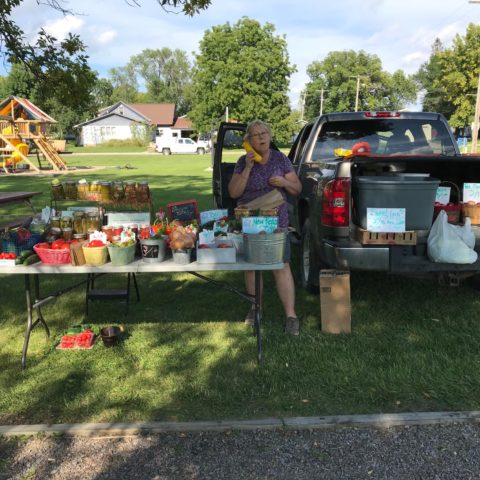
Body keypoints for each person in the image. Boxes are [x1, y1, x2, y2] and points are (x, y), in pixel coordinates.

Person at [228, 120, 302, 335]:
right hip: (250, 219)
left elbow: (297, 189)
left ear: (270, 136)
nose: (261, 137)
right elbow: (234, 193)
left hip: (277, 221)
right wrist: (248, 169)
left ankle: (291, 315)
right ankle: (255, 308)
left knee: (281, 265)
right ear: (248, 141)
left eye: (264, 133)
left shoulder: (281, 159)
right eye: (255, 135)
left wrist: (285, 183)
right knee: (252, 266)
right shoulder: (243, 162)